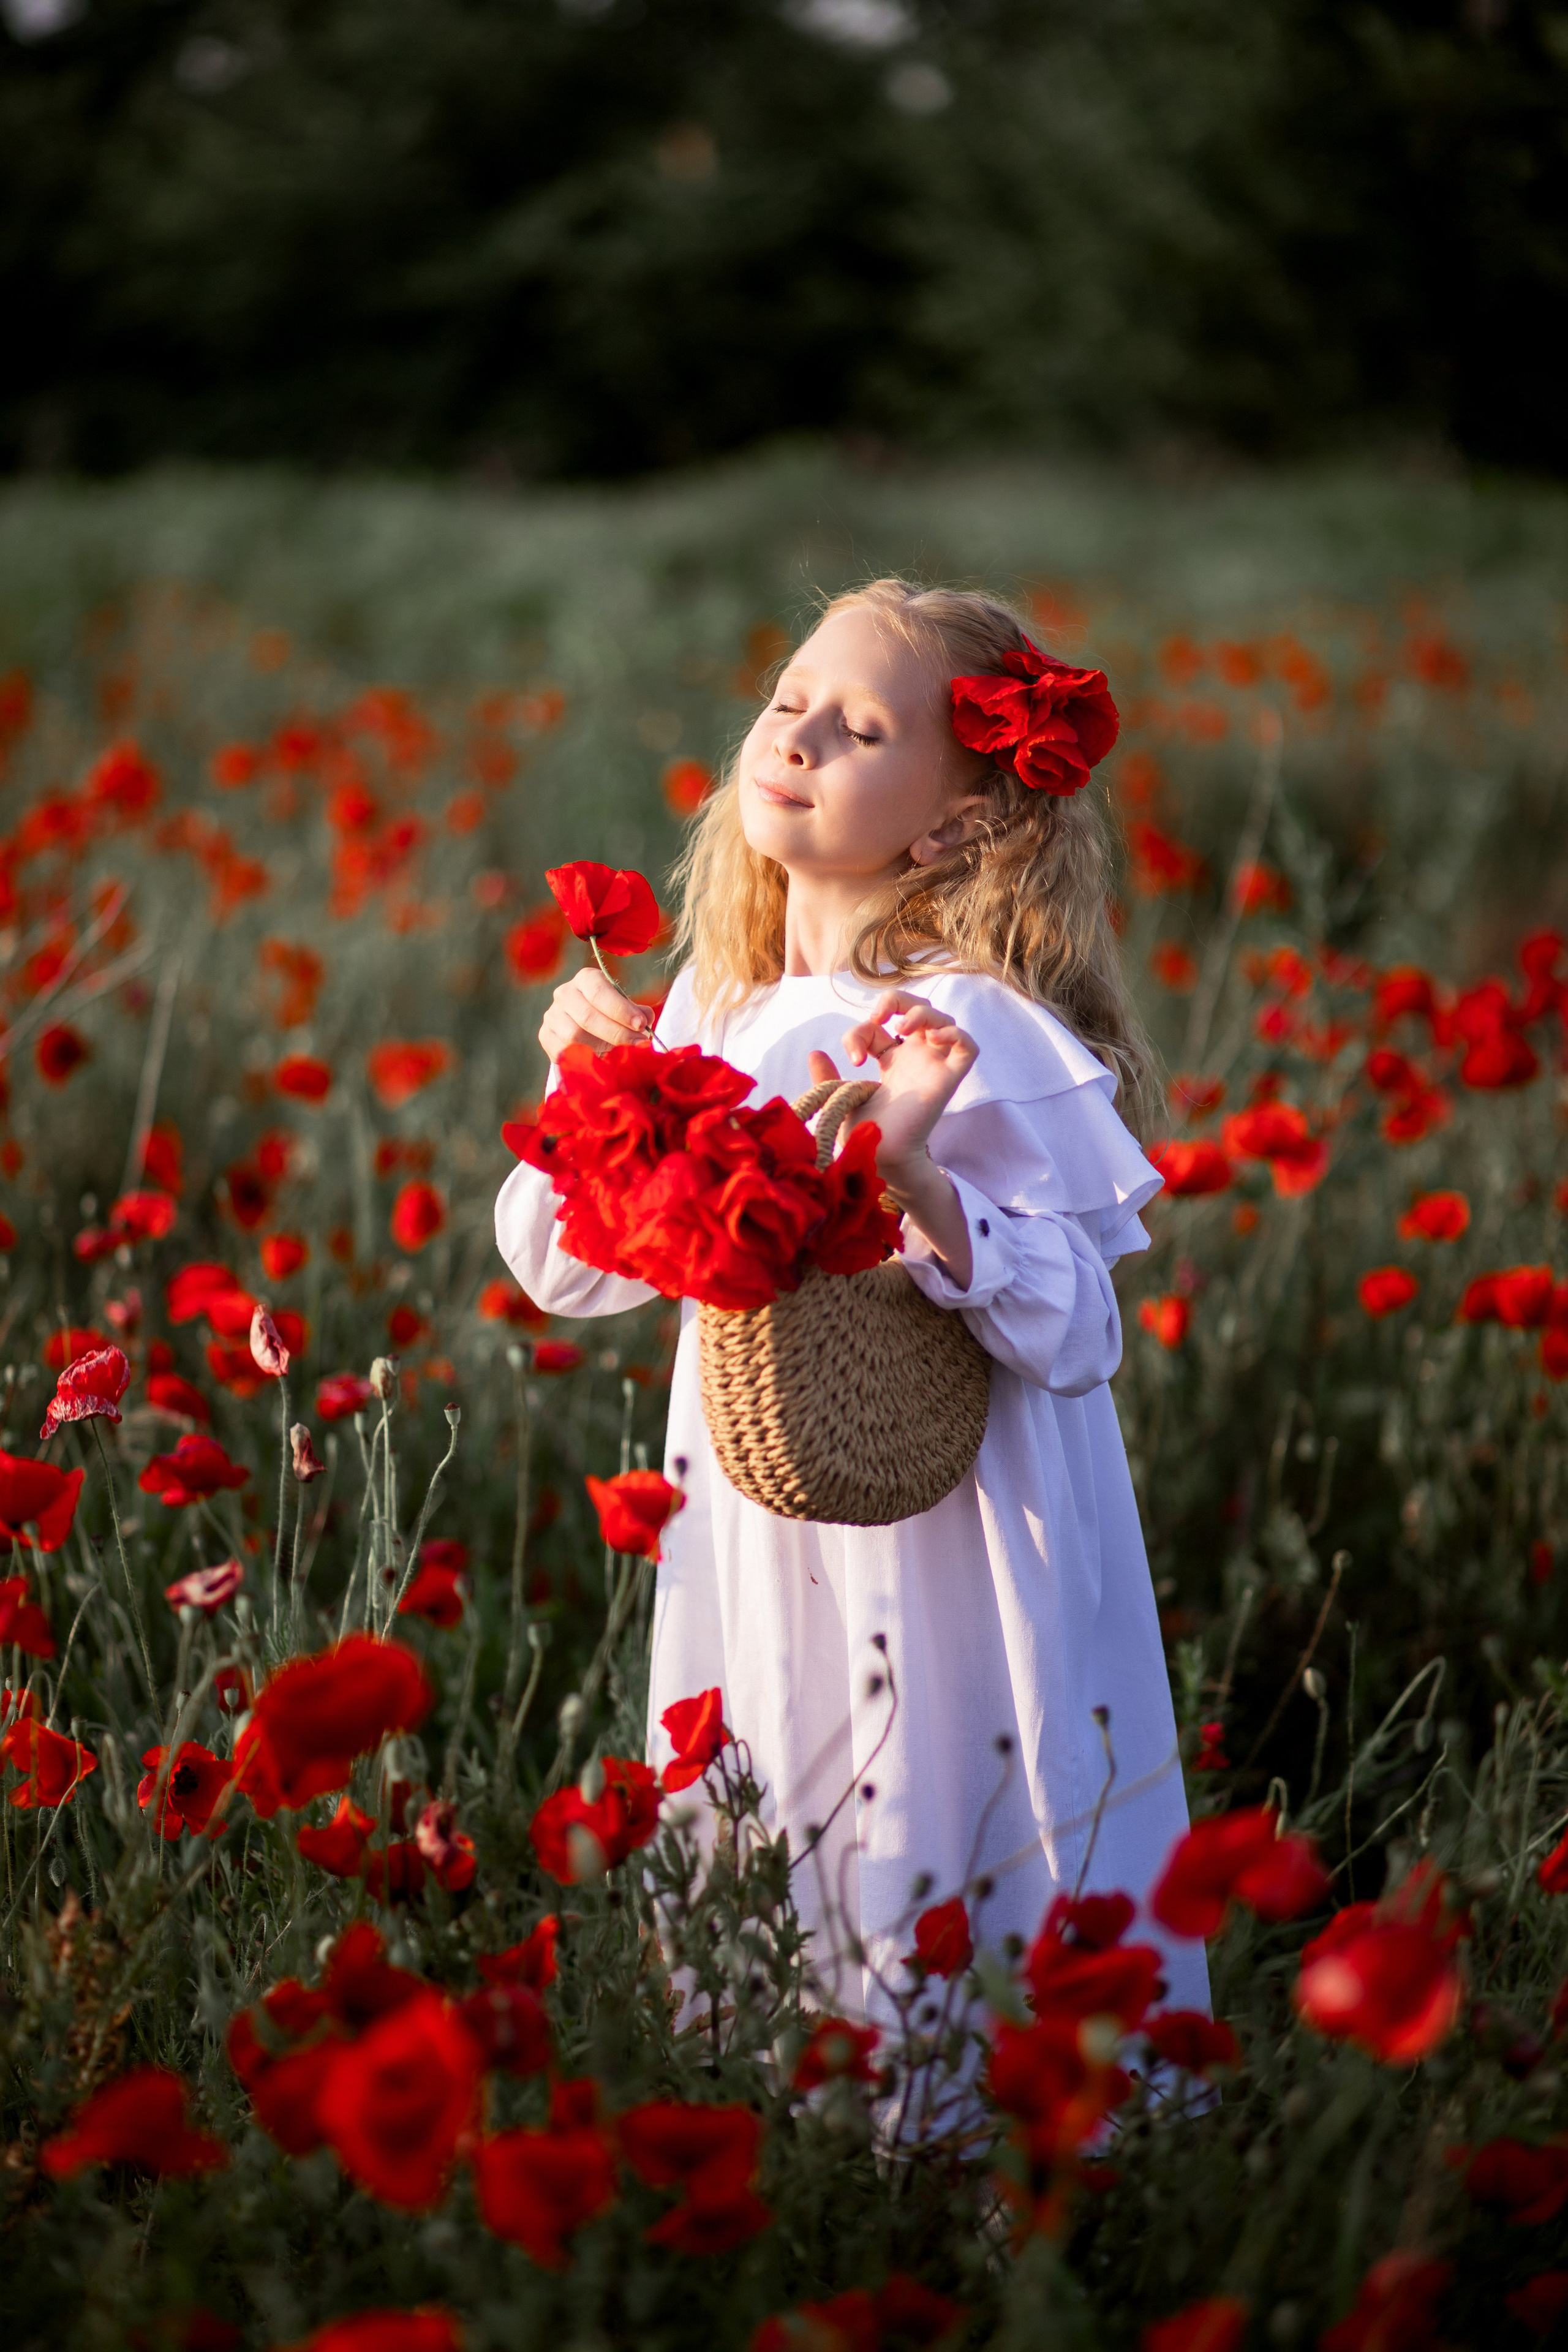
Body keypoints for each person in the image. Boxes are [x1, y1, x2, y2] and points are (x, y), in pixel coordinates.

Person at [495, 578, 1207, 2019]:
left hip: (943, 1532)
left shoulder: (965, 1022)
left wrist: (916, 1174)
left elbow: (1075, 1334)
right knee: (787, 1796)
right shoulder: (718, 1004)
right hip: (760, 1509)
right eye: (786, 699)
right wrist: (588, 1091)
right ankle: (809, 2146)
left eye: (861, 725)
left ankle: (974, 2148)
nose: (798, 733)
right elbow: (563, 1271)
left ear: (953, 820)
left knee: (943, 1806)